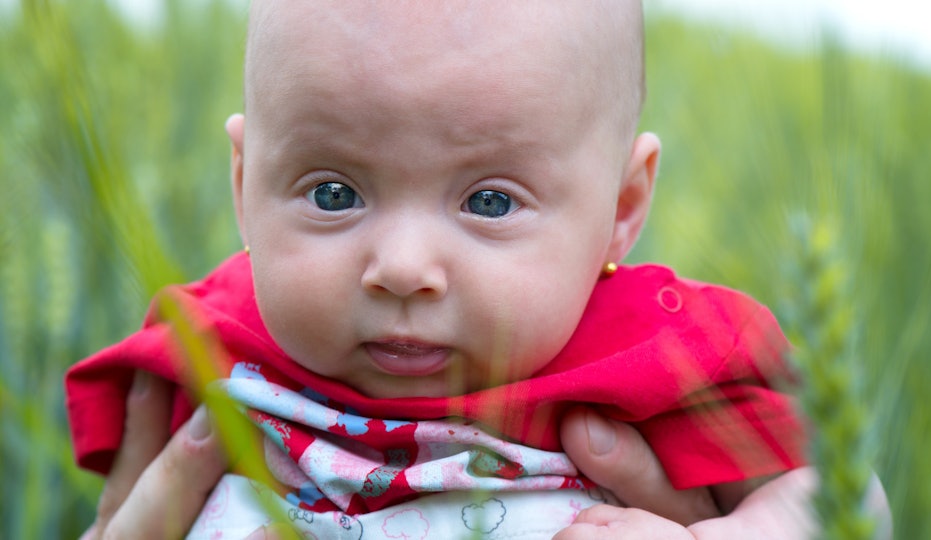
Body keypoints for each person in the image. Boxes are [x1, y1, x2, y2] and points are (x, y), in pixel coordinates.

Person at [66, 1, 887, 538]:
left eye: (490, 203)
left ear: (623, 206)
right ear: (245, 186)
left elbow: (849, 498)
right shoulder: (210, 339)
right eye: (334, 192)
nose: (402, 268)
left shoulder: (656, 349)